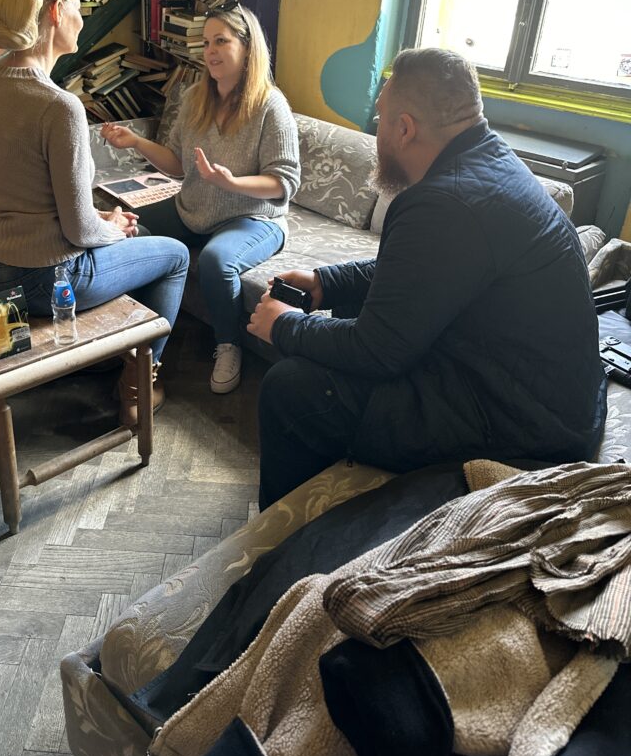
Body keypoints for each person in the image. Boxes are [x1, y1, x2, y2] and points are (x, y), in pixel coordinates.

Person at [247, 47, 607, 509]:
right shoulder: (491, 164)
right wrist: (328, 281)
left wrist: (283, 325)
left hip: (523, 428)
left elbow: (377, 352)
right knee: (357, 307)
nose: (377, 133)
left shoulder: (443, 203)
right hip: (548, 399)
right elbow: (418, 276)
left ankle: (284, 531)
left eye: (380, 119)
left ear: (404, 128)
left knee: (289, 387)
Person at [0, 0, 190, 426]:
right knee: (173, 255)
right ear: (53, 12)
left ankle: (106, 354)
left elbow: (24, 192)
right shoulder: (58, 106)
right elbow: (79, 231)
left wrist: (102, 222)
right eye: (78, 4)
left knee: (130, 234)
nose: (83, 17)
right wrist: (113, 229)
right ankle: (139, 384)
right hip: (40, 278)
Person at [101, 3, 300, 394]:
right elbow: (176, 166)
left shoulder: (270, 105)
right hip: (193, 207)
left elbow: (284, 182)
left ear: (247, 48)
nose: (210, 51)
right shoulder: (195, 97)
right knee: (125, 228)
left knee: (215, 260)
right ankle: (127, 333)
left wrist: (233, 183)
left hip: (254, 218)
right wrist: (137, 142)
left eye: (221, 41)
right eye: (206, 42)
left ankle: (229, 345)